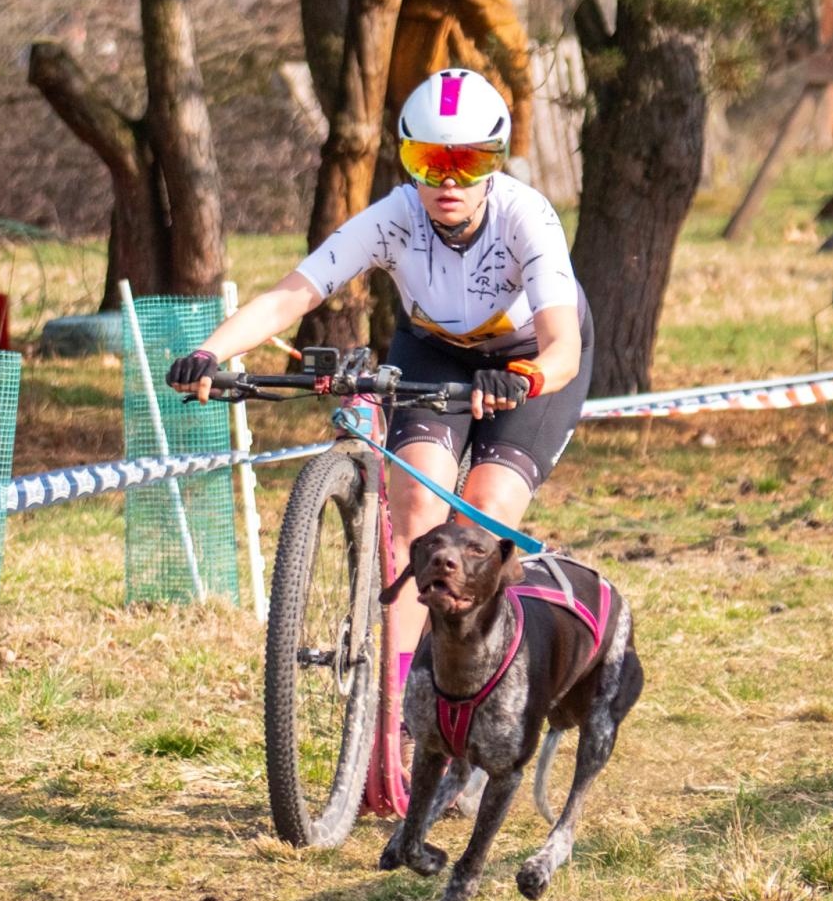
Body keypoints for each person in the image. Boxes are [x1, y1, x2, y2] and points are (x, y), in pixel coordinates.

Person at [167, 67, 593, 706]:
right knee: (418, 520)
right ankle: (400, 706)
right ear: (407, 158)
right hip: (435, 351)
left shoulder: (524, 216)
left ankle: (483, 698)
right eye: (430, 159)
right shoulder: (394, 217)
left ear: (496, 161)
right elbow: (294, 292)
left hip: (528, 362)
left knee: (483, 521)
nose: (448, 179)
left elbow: (564, 348)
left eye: (469, 160)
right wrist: (211, 351)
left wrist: (522, 378)